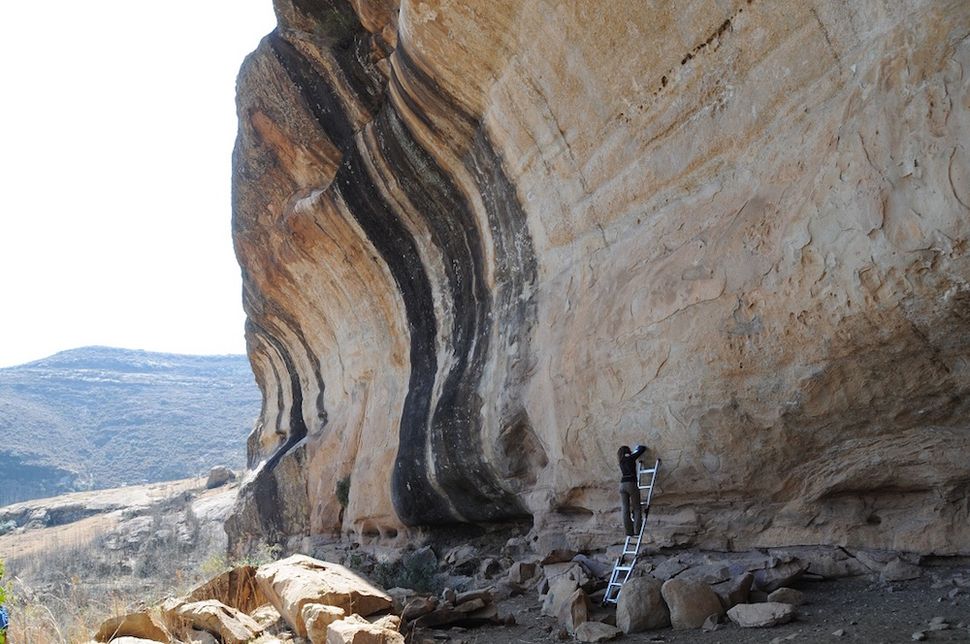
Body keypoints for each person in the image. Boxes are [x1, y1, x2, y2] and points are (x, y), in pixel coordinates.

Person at [617, 443, 647, 536]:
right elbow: (642, 449)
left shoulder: (621, 460)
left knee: (625, 509)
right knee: (637, 507)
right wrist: (636, 449)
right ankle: (637, 530)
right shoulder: (630, 458)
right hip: (631, 484)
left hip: (622, 485)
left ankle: (628, 532)